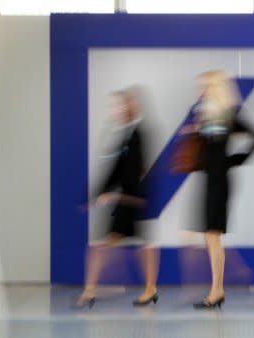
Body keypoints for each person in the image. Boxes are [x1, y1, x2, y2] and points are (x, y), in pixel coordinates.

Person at [181, 71, 254, 309]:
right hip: (208, 179)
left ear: (215, 88)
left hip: (221, 181)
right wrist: (193, 134)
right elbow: (207, 148)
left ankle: (217, 291)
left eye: (204, 86)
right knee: (210, 236)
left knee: (213, 235)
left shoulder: (229, 114)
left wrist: (235, 160)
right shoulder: (206, 115)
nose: (200, 91)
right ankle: (219, 287)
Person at [77, 89, 159, 308]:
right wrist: (94, 196)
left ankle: (148, 288)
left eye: (121, 106)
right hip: (126, 198)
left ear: (131, 107)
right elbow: (115, 170)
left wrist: (113, 195)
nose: (116, 110)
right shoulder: (126, 134)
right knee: (117, 244)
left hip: (133, 199)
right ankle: (91, 290)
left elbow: (135, 171)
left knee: (138, 245)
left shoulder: (138, 134)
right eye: (115, 106)